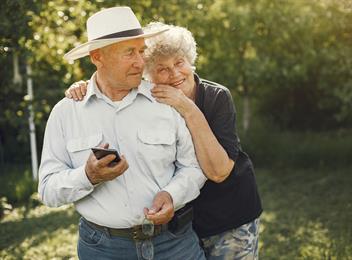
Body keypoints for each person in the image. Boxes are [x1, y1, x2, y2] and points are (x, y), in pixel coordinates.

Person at [67, 22, 263, 259]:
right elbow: (111, 84)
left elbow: (219, 172)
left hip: (229, 217)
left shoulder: (216, 97)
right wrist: (86, 87)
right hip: (180, 227)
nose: (175, 74)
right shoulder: (151, 100)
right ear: (148, 75)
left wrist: (186, 107)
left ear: (190, 60)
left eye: (179, 62)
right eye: (162, 69)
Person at [39, 7, 207, 260]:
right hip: (103, 249)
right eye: (129, 52)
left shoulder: (165, 101)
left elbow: (194, 167)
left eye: (141, 51)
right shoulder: (66, 113)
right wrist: (88, 176)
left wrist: (172, 195)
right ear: (97, 57)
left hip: (174, 244)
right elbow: (48, 190)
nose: (141, 62)